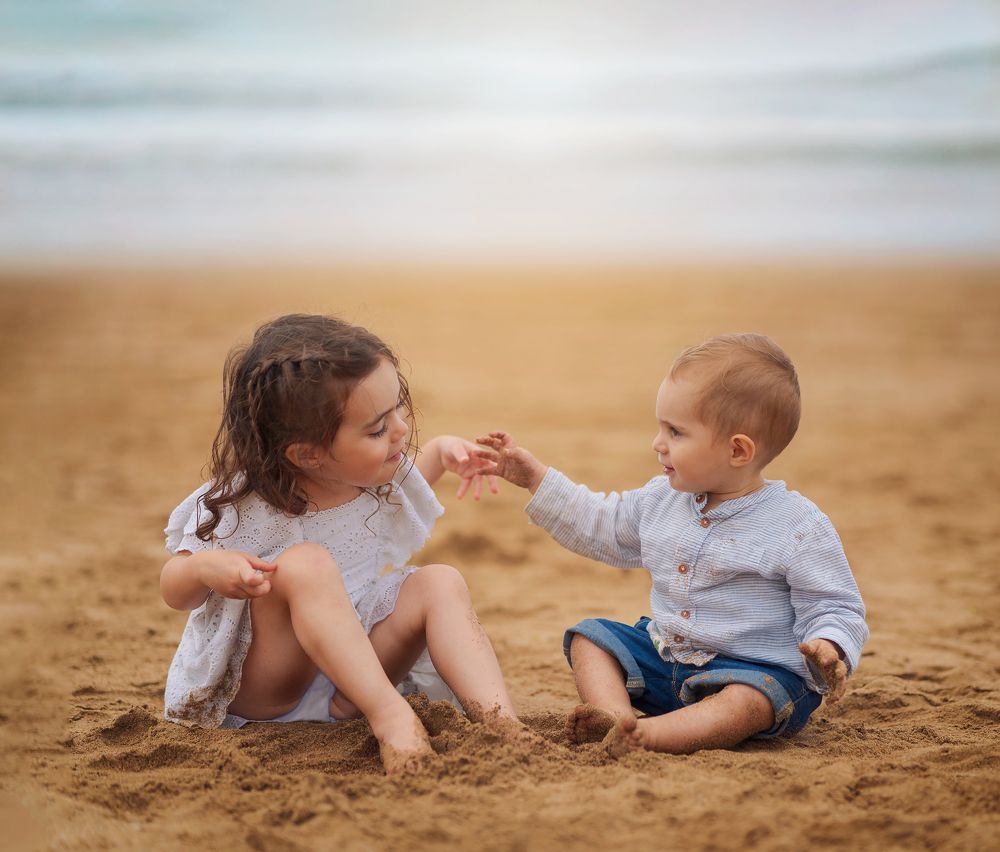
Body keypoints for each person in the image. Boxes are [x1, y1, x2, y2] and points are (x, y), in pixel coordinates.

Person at [160, 314, 530, 775]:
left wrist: (441, 452)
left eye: (400, 408)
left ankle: (502, 725)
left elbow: (411, 483)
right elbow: (174, 589)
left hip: (347, 690)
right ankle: (392, 718)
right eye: (376, 429)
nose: (399, 430)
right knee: (305, 565)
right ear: (307, 454)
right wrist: (205, 569)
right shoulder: (237, 504)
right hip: (269, 694)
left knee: (440, 581)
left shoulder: (373, 477)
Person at [475, 333, 868, 756]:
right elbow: (600, 521)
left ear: (738, 450)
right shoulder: (661, 499)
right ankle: (614, 719)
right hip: (668, 661)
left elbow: (836, 604)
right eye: (660, 427)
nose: (657, 443)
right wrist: (536, 478)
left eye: (676, 432)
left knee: (748, 703)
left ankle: (653, 736)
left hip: (753, 674)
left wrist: (829, 645)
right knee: (590, 638)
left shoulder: (796, 524)